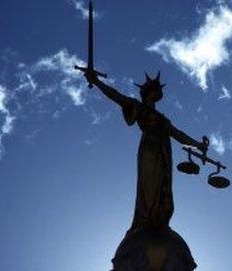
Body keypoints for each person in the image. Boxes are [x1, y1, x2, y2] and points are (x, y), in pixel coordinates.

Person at [84, 69, 208, 230]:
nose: (157, 93)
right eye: (154, 90)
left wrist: (198, 145)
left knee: (163, 186)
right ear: (147, 92)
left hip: (163, 151)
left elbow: (179, 135)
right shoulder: (137, 106)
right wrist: (97, 82)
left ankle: (160, 219)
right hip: (149, 148)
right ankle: (147, 219)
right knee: (150, 184)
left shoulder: (163, 119)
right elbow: (116, 96)